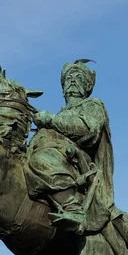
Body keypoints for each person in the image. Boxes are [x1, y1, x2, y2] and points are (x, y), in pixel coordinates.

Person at [26, 59, 115, 235]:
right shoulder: (60, 114)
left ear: (88, 85)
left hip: (74, 161)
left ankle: (73, 209)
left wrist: (51, 120)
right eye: (68, 78)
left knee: (41, 161)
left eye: (78, 77)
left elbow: (88, 130)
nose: (73, 81)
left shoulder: (93, 105)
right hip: (53, 153)